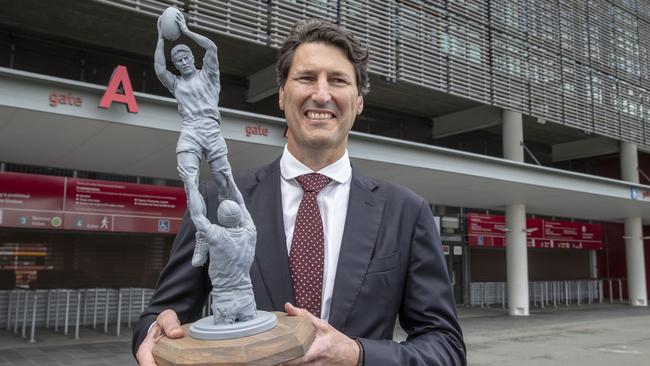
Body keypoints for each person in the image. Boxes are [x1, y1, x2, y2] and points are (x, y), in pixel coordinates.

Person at [135, 18, 466, 366]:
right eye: (306, 78)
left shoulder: (406, 212)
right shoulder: (218, 198)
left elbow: (445, 347)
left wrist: (355, 354)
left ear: (358, 102)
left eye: (338, 80)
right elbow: (159, 316)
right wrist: (153, 336)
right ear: (281, 94)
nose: (321, 94)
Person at [178, 165, 257, 325]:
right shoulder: (250, 232)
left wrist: (191, 183)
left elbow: (197, 214)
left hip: (224, 300)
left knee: (225, 344)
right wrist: (231, 180)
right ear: (239, 217)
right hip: (247, 298)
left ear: (220, 218)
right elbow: (241, 203)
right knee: (249, 338)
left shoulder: (216, 235)